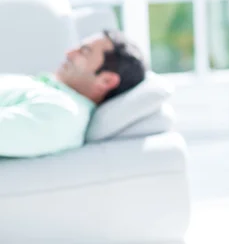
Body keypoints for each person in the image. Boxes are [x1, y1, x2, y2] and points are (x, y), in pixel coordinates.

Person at [0, 30, 146, 158]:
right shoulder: (49, 91)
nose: (69, 53)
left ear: (106, 81)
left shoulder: (63, 112)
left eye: (84, 51)